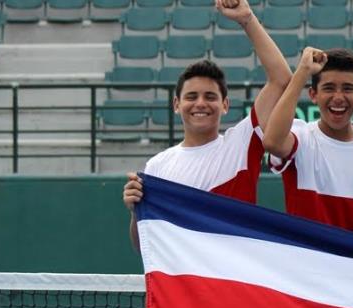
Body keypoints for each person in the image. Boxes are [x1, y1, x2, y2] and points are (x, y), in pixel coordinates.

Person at [121, 0, 293, 251]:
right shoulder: (157, 167)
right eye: (192, 97)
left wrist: (247, 19)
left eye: (210, 97)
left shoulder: (241, 144)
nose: (200, 104)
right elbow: (145, 248)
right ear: (176, 104)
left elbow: (281, 78)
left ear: (225, 105)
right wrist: (136, 212)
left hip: (231, 282)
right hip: (182, 288)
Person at [263, 47, 353, 240]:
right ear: (313, 95)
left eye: (347, 88)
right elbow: (271, 142)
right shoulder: (300, 135)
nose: (338, 97)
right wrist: (302, 71)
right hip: (305, 262)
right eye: (328, 88)